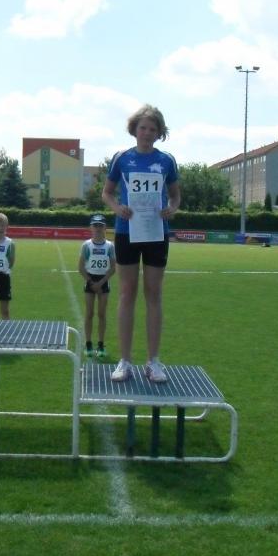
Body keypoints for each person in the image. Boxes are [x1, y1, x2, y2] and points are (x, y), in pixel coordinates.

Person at [101, 104, 180, 383]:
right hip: (127, 231)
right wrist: (117, 208)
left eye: (152, 129)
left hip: (156, 232)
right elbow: (107, 193)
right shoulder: (121, 158)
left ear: (160, 133)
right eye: (143, 128)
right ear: (134, 129)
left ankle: (153, 361)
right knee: (126, 293)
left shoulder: (167, 161)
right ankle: (125, 361)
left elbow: (175, 195)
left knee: (154, 293)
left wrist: (172, 208)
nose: (147, 133)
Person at [78, 214, 116, 359]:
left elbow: (113, 268)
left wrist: (101, 283)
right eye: (95, 225)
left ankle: (101, 345)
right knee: (89, 313)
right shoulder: (86, 245)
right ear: (91, 228)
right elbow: (81, 267)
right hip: (90, 281)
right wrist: (91, 282)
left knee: (101, 314)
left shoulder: (110, 246)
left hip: (103, 281)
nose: (98, 228)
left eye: (100, 226)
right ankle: (88, 344)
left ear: (105, 228)